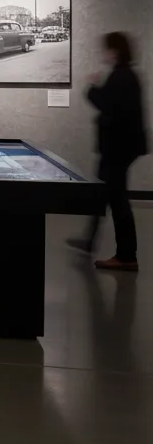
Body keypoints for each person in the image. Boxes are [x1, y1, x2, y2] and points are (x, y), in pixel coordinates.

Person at [69, 32, 148, 270]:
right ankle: (89, 241)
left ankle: (126, 256)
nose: (103, 53)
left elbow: (107, 105)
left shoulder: (121, 77)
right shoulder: (126, 75)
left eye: (106, 49)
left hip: (117, 150)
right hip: (120, 149)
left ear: (115, 51)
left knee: (117, 201)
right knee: (103, 194)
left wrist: (92, 88)